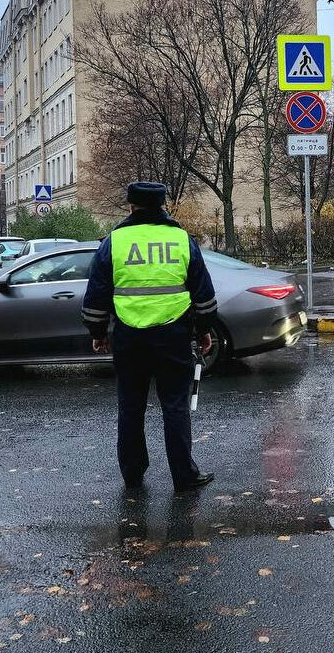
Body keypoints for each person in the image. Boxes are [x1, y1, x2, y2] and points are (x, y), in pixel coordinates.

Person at [82, 181, 219, 493]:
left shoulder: (115, 241)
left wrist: (98, 332)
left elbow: (97, 295)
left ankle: (133, 474)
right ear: (162, 205)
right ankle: (184, 475)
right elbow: (204, 295)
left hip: (129, 336)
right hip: (173, 334)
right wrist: (203, 331)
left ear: (131, 206)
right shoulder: (181, 239)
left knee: (130, 406)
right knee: (175, 406)